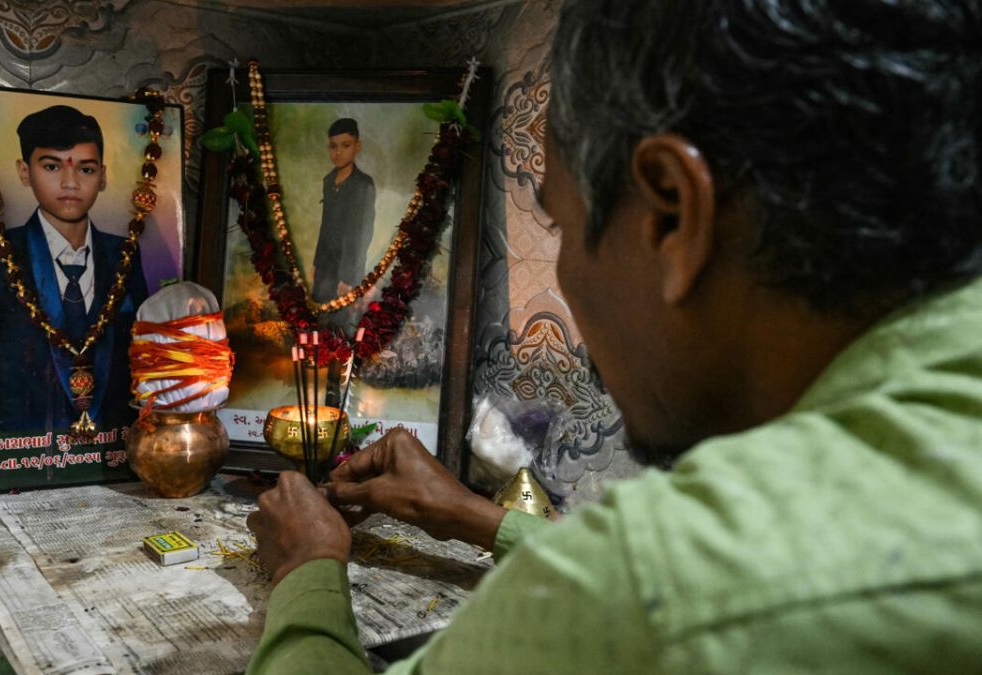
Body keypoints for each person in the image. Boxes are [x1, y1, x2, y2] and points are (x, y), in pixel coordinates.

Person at [245, 0, 982, 672]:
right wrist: (479, 517)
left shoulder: (656, 586)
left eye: (561, 223)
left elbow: (665, 592)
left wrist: (306, 568)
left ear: (669, 215)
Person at [0, 105, 148, 434]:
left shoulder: (123, 255)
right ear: (25, 172)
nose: (70, 182)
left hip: (114, 452)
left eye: (86, 170)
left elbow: (140, 361)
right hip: (21, 455)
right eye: (51, 166)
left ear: (103, 176)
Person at [311, 117, 376, 304]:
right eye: (333, 146)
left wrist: (349, 277)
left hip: (348, 265)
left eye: (345, 145)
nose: (338, 152)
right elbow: (326, 224)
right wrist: (317, 262)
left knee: (342, 317)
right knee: (319, 310)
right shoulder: (328, 181)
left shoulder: (362, 184)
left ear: (357, 146)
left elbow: (362, 232)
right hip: (325, 263)